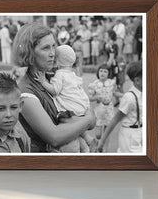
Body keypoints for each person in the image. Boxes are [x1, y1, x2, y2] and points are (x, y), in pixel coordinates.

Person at [12, 22, 96, 153]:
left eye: (53, 46)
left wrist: (88, 119)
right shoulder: (25, 92)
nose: (53, 53)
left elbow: (84, 107)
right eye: (45, 48)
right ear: (29, 52)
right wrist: (88, 119)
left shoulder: (56, 76)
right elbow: (55, 137)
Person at [35, 44, 94, 153]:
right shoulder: (72, 74)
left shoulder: (60, 74)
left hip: (70, 110)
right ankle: (86, 142)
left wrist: (43, 82)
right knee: (76, 130)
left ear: (58, 61)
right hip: (81, 107)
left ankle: (83, 145)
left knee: (67, 128)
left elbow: (55, 90)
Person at [98, 62, 143, 153]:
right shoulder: (129, 98)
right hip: (129, 136)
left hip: (139, 132)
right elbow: (115, 120)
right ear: (137, 80)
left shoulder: (142, 94)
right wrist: (102, 142)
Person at [88, 64, 117, 143]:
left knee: (107, 132)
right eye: (101, 71)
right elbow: (90, 98)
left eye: (105, 71)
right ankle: (97, 144)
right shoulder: (94, 84)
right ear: (98, 72)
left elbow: (114, 93)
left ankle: (104, 150)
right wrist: (96, 98)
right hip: (99, 110)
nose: (102, 73)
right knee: (98, 134)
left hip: (109, 110)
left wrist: (123, 95)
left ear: (108, 73)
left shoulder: (111, 83)